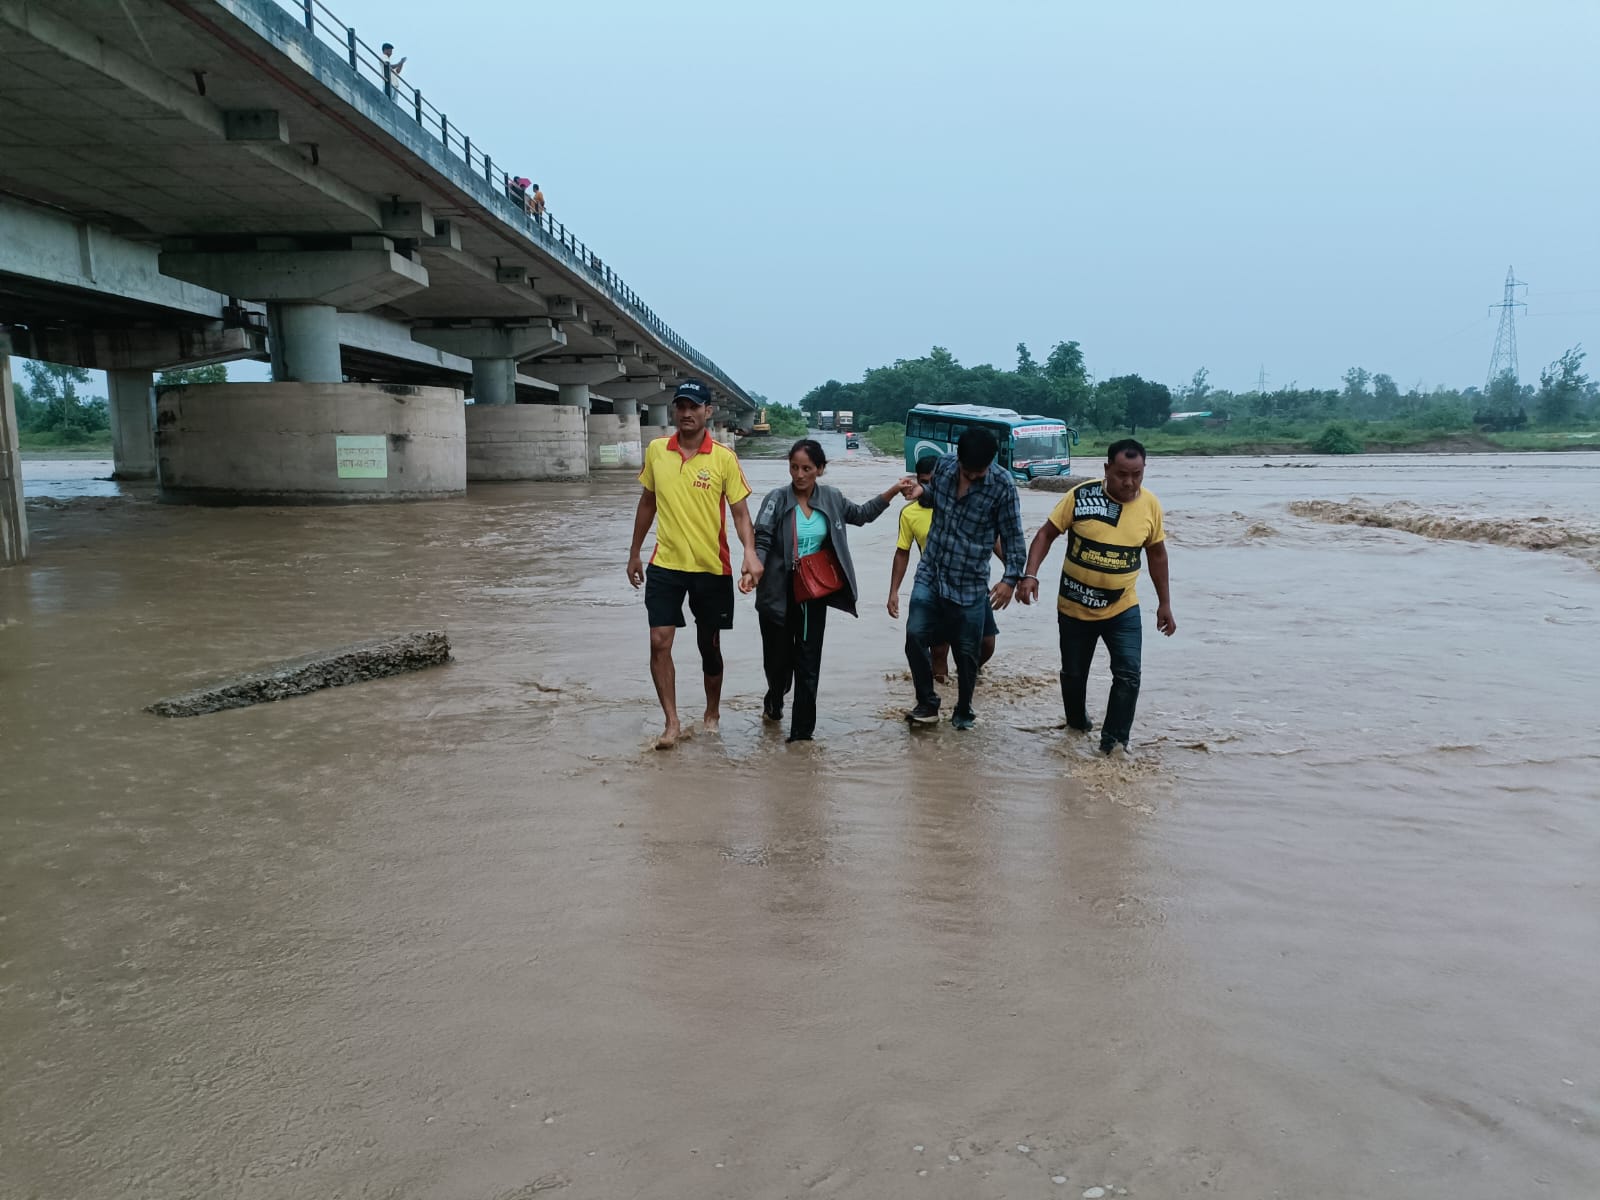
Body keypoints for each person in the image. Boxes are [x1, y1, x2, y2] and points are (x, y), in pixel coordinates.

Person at [1017, 438, 1176, 756]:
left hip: (1123, 607)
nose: (1129, 482)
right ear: (1106, 469)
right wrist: (1030, 574)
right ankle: (1077, 726)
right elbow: (1046, 534)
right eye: (1121, 474)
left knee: (1128, 675)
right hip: (1075, 606)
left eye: (1137, 474)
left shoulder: (1150, 506)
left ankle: (1114, 744)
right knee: (1074, 675)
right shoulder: (1080, 496)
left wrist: (1164, 603)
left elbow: (1157, 555)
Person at [627, 379, 763, 749]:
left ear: (708, 411)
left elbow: (739, 514)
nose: (686, 413)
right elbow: (647, 502)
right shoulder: (657, 451)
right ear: (674, 410)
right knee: (659, 641)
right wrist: (634, 551)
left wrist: (749, 553)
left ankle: (712, 712)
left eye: (694, 407)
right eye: (680, 406)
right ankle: (671, 722)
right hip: (665, 564)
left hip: (711, 567)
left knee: (710, 646)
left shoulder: (723, 458)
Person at [752, 440, 913, 742]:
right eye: (794, 468)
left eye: (807, 469)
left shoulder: (832, 498)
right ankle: (775, 699)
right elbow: (760, 539)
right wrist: (754, 568)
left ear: (820, 470)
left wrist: (893, 490)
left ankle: (801, 735)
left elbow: (863, 515)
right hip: (777, 592)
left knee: (808, 662)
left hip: (813, 592)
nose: (799, 475)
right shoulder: (776, 499)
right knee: (778, 665)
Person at [904, 428, 1028, 730]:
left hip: (970, 580)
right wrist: (923, 492)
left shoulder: (1002, 486)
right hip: (931, 570)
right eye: (968, 471)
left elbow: (1013, 538)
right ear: (958, 459)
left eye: (979, 473)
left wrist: (1010, 580)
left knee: (967, 653)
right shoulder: (945, 466)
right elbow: (937, 497)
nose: (972, 477)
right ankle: (927, 703)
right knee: (915, 636)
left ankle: (963, 708)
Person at [887, 454, 1000, 682]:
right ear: (917, 481)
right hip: (934, 586)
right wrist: (894, 592)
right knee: (939, 651)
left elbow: (992, 536)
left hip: (970, 582)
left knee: (987, 643)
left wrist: (1014, 573)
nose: (932, 487)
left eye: (935, 480)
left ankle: (968, 676)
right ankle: (940, 703)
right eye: (925, 482)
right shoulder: (909, 513)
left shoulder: (964, 502)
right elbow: (902, 552)